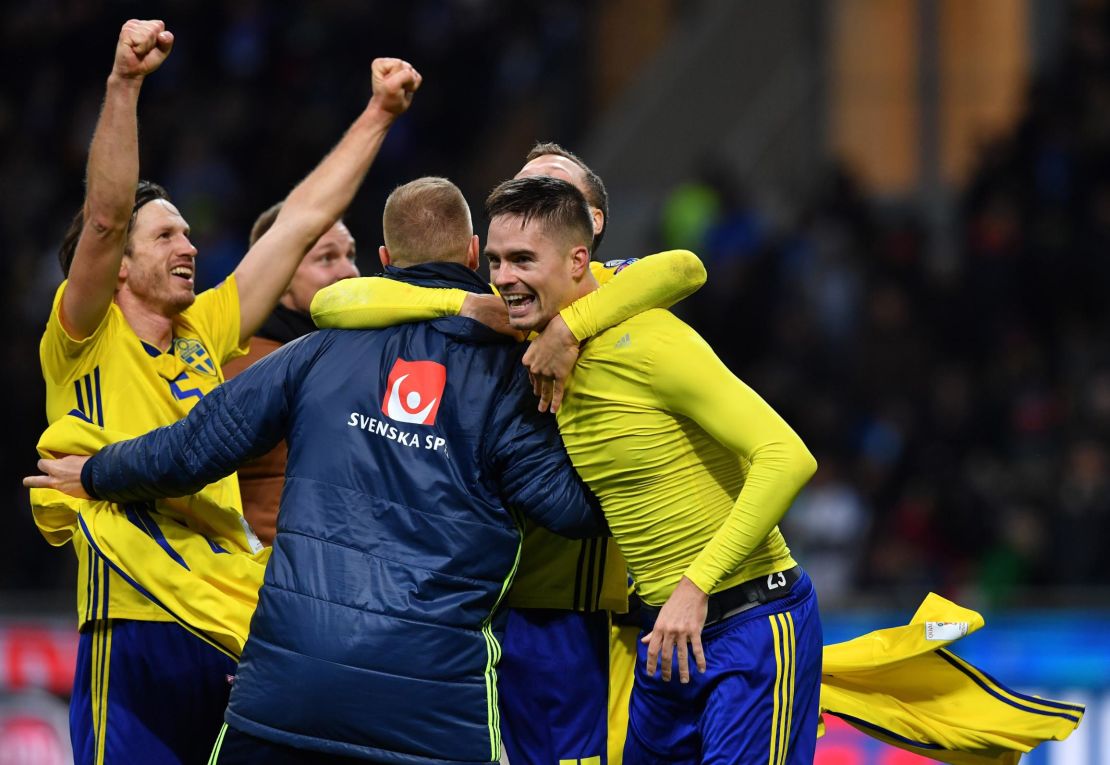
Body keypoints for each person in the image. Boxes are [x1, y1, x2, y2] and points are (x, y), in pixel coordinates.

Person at [28, 176, 607, 765]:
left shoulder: (313, 354)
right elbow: (574, 509)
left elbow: (186, 452)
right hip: (432, 716)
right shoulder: (513, 379)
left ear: (381, 261)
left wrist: (97, 470)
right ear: (473, 256)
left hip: (285, 700)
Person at [27, 18, 420, 764]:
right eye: (168, 236)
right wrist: (125, 84)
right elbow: (108, 214)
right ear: (114, 265)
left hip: (232, 629)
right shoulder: (83, 338)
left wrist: (378, 115)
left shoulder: (206, 332)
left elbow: (300, 221)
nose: (190, 247)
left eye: (187, 234)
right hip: (136, 629)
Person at [310, 143, 703, 765]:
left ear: (590, 225)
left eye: (552, 193)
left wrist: (571, 328)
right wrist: (468, 303)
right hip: (481, 599)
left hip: (575, 603)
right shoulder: (508, 299)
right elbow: (333, 303)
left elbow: (684, 266)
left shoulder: (621, 286)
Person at [223, 206, 360, 544]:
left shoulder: (350, 350)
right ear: (278, 274)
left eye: (350, 254)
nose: (349, 271)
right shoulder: (239, 364)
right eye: (327, 258)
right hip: (265, 575)